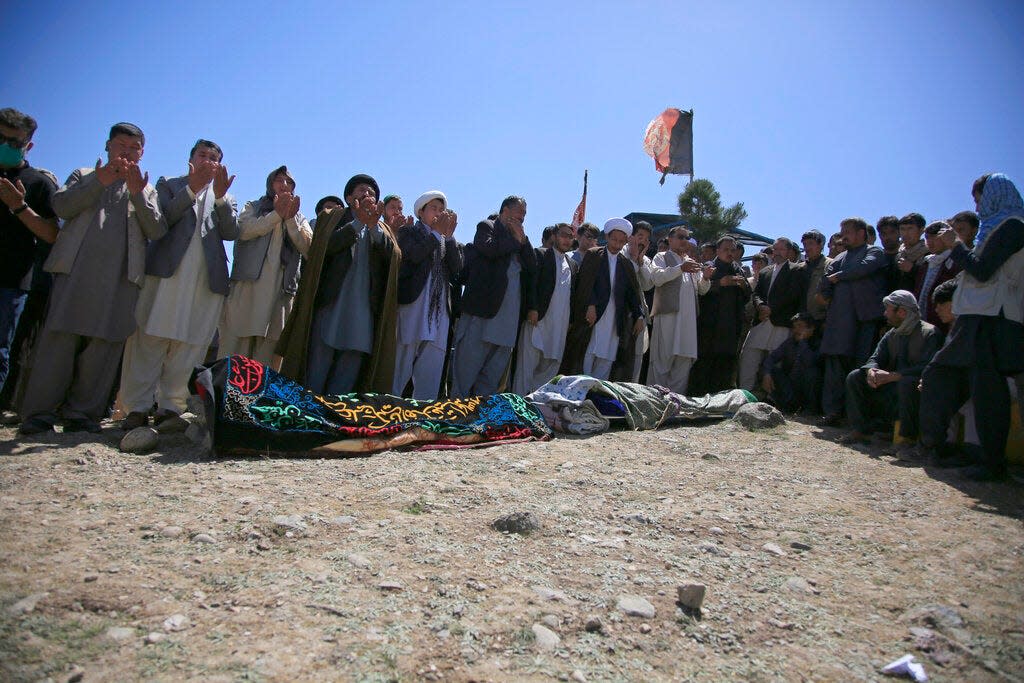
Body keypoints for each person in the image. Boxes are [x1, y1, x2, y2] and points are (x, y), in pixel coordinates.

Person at [19, 123, 166, 434]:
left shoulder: (146, 188)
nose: (127, 152)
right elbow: (60, 206)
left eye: (134, 147)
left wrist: (138, 194)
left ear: (142, 153)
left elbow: (156, 230)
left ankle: (82, 415)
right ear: (108, 146)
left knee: (104, 346)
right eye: (121, 145)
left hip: (120, 280)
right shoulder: (83, 174)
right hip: (75, 272)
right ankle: (39, 414)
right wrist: (99, 181)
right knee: (58, 341)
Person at [117, 140, 238, 430]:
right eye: (202, 155)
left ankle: (171, 407)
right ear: (191, 159)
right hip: (165, 276)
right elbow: (162, 220)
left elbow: (231, 232)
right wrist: (191, 189)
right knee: (150, 339)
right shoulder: (169, 185)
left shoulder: (225, 196)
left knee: (190, 343)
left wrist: (219, 199)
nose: (208, 160)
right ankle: (137, 407)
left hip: (204, 281)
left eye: (213, 157)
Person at [919, 173, 1024, 480]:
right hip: (979, 317)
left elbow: (982, 270)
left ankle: (992, 464)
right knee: (968, 383)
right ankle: (942, 446)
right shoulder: (996, 230)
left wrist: (955, 246)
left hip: (994, 320)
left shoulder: (1013, 226)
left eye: (979, 199)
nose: (977, 208)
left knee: (990, 392)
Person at [276, 173, 401, 395]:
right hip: (332, 303)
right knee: (318, 366)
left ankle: (335, 416)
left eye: (372, 193)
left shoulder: (382, 229)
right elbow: (324, 248)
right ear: (349, 196)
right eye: (362, 190)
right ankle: (309, 412)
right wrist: (357, 224)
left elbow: (393, 258)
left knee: (350, 366)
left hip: (363, 310)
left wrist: (372, 228)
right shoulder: (332, 217)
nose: (367, 194)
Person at [218, 165, 312, 366]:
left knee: (268, 356)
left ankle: (259, 398)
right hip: (248, 287)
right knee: (236, 350)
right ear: (270, 184)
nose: (284, 184)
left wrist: (290, 220)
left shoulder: (299, 216)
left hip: (281, 292)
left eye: (289, 182)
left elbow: (308, 248)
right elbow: (243, 230)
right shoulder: (254, 206)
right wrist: (276, 215)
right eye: (279, 180)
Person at [450, 196, 536, 397]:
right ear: (505, 210)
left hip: (507, 318)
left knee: (494, 370)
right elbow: (489, 249)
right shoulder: (487, 226)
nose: (522, 217)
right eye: (519, 212)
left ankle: (481, 412)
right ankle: (457, 410)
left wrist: (522, 241)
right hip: (483, 312)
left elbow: (532, 266)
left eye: (524, 214)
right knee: (468, 365)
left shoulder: (521, 238)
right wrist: (514, 239)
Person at [0, 108, 58, 402]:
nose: (4, 146)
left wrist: (19, 207)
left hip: (10, 281)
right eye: (0, 138)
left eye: (13, 143)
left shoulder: (37, 183)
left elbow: (52, 234)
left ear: (28, 145)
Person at [839, 290, 940, 450]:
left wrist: (895, 376)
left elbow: (928, 368)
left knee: (907, 383)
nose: (885, 314)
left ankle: (907, 439)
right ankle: (862, 431)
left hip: (914, 389)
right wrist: (872, 371)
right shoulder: (892, 334)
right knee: (855, 377)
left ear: (901, 312)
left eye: (888, 309)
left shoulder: (929, 333)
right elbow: (875, 359)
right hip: (891, 387)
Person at [817, 217, 888, 426]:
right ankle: (832, 412)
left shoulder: (874, 252)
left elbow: (864, 268)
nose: (843, 235)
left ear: (861, 233)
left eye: (847, 231)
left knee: (861, 368)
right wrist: (830, 283)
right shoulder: (840, 257)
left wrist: (839, 276)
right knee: (835, 370)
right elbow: (825, 281)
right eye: (842, 231)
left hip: (864, 321)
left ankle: (857, 416)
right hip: (839, 323)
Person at [393, 191, 462, 399]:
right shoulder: (408, 232)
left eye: (442, 210)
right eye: (434, 209)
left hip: (439, 308)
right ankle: (390, 403)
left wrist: (448, 237)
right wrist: (435, 234)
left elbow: (457, 268)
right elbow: (413, 256)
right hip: (415, 303)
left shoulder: (447, 240)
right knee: (403, 357)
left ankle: (423, 411)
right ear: (421, 212)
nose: (439, 214)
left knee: (432, 360)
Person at [561, 218, 644, 380]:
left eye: (621, 241)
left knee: (607, 355)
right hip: (594, 315)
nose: (617, 244)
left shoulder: (625, 263)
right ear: (607, 238)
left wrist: (639, 316)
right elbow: (586, 283)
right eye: (614, 240)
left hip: (614, 318)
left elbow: (632, 293)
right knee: (589, 351)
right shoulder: (594, 255)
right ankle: (582, 389)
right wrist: (590, 305)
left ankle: (597, 393)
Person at [513, 223, 577, 394]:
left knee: (550, 367)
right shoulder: (541, 254)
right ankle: (519, 405)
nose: (567, 239)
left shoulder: (572, 264)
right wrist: (532, 308)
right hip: (537, 319)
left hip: (559, 326)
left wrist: (570, 321)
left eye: (570, 237)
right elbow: (531, 283)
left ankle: (536, 406)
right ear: (555, 236)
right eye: (563, 235)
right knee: (526, 367)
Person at [737, 237, 805, 390]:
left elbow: (793, 295)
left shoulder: (797, 270)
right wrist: (761, 306)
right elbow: (757, 294)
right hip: (761, 321)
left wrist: (771, 309)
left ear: (789, 251)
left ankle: (772, 397)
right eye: (775, 249)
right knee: (748, 356)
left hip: (781, 322)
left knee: (776, 362)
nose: (777, 252)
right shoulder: (765, 271)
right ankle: (744, 392)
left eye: (781, 249)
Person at [648, 227, 708, 393]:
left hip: (688, 321)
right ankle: (655, 399)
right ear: (670, 239)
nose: (684, 241)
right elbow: (656, 278)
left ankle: (676, 402)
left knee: (683, 360)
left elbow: (701, 289)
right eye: (681, 237)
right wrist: (680, 268)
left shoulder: (690, 261)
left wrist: (707, 278)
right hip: (668, 317)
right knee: (662, 361)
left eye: (687, 238)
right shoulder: (662, 256)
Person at [690, 235, 752, 395]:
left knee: (726, 366)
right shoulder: (709, 267)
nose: (729, 253)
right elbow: (699, 291)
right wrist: (719, 283)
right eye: (726, 250)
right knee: (705, 363)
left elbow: (747, 296)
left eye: (732, 250)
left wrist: (743, 285)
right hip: (710, 328)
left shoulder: (737, 269)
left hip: (731, 327)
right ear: (718, 250)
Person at [761, 313, 820, 413]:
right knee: (772, 370)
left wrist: (803, 342)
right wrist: (767, 374)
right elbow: (771, 359)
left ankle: (809, 408)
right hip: (791, 386)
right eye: (794, 327)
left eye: (800, 326)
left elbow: (810, 361)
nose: (796, 330)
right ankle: (787, 405)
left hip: (807, 386)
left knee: (812, 373)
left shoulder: (817, 343)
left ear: (811, 328)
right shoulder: (789, 343)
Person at [913, 221, 962, 334]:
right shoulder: (926, 262)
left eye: (935, 238)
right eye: (927, 238)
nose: (929, 242)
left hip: (944, 319)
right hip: (923, 318)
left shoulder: (955, 260)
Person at [622, 221, 655, 382]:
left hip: (639, 314)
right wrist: (633, 259)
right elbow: (626, 280)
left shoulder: (646, 260)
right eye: (640, 236)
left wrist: (640, 261)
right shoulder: (621, 253)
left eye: (646, 238)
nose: (642, 241)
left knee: (637, 356)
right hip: (622, 312)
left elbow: (648, 285)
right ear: (631, 237)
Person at [798, 229, 831, 332]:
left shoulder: (830, 265)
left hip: (819, 320)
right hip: (798, 320)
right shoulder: (799, 268)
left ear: (821, 245)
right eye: (805, 244)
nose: (807, 248)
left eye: (811, 243)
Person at [895, 212, 928, 290]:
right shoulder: (899, 255)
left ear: (921, 230)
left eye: (910, 228)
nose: (905, 233)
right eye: (902, 229)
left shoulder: (929, 253)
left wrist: (913, 270)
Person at [876, 215, 902, 294]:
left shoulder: (909, 256)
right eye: (884, 233)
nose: (888, 237)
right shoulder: (876, 259)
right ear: (880, 236)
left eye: (892, 232)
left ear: (899, 233)